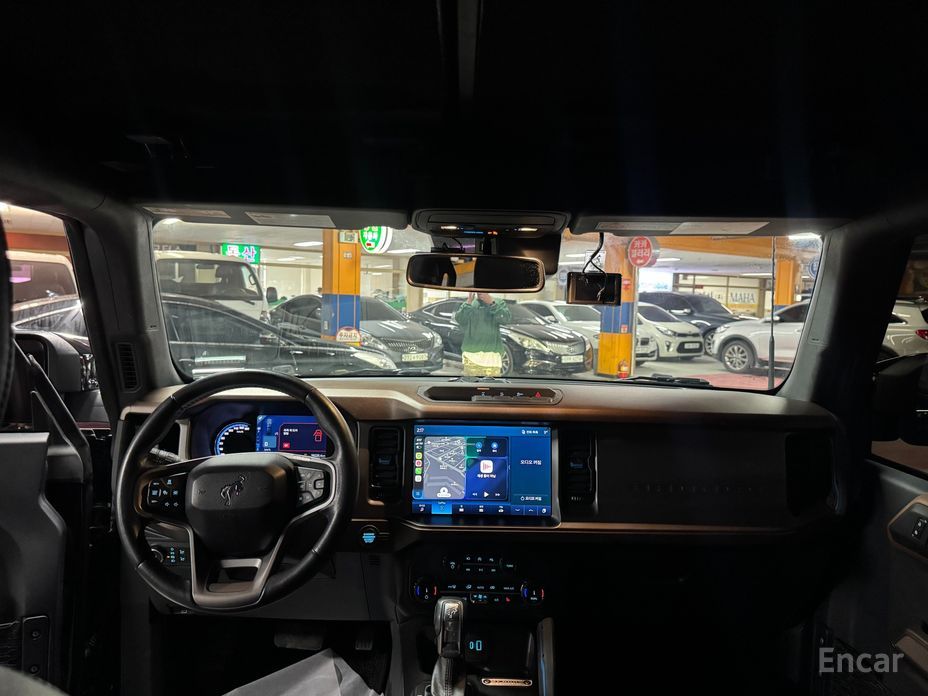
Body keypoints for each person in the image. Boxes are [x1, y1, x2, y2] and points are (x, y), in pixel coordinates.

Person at [454, 292, 511, 376]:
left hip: (492, 358)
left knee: (492, 384)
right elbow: (460, 319)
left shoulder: (498, 302)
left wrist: (492, 303)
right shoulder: (469, 303)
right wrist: (468, 303)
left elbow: (505, 319)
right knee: (471, 384)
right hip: (471, 356)